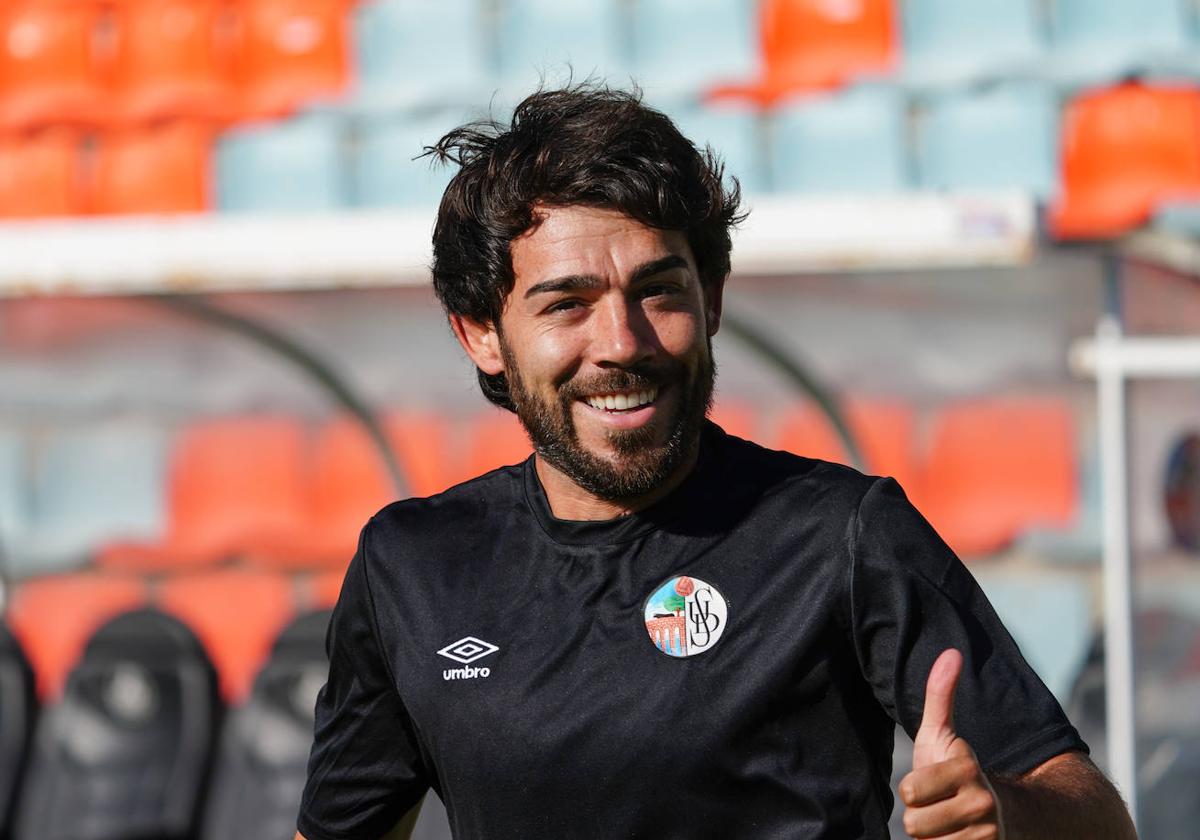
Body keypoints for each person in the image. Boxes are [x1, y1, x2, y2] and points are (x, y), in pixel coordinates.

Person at [295, 84, 1136, 840]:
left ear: (715, 298)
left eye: (660, 291)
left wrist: (1008, 816)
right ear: (481, 334)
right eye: (568, 304)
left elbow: (1094, 815)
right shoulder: (413, 564)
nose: (622, 344)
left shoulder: (842, 533)